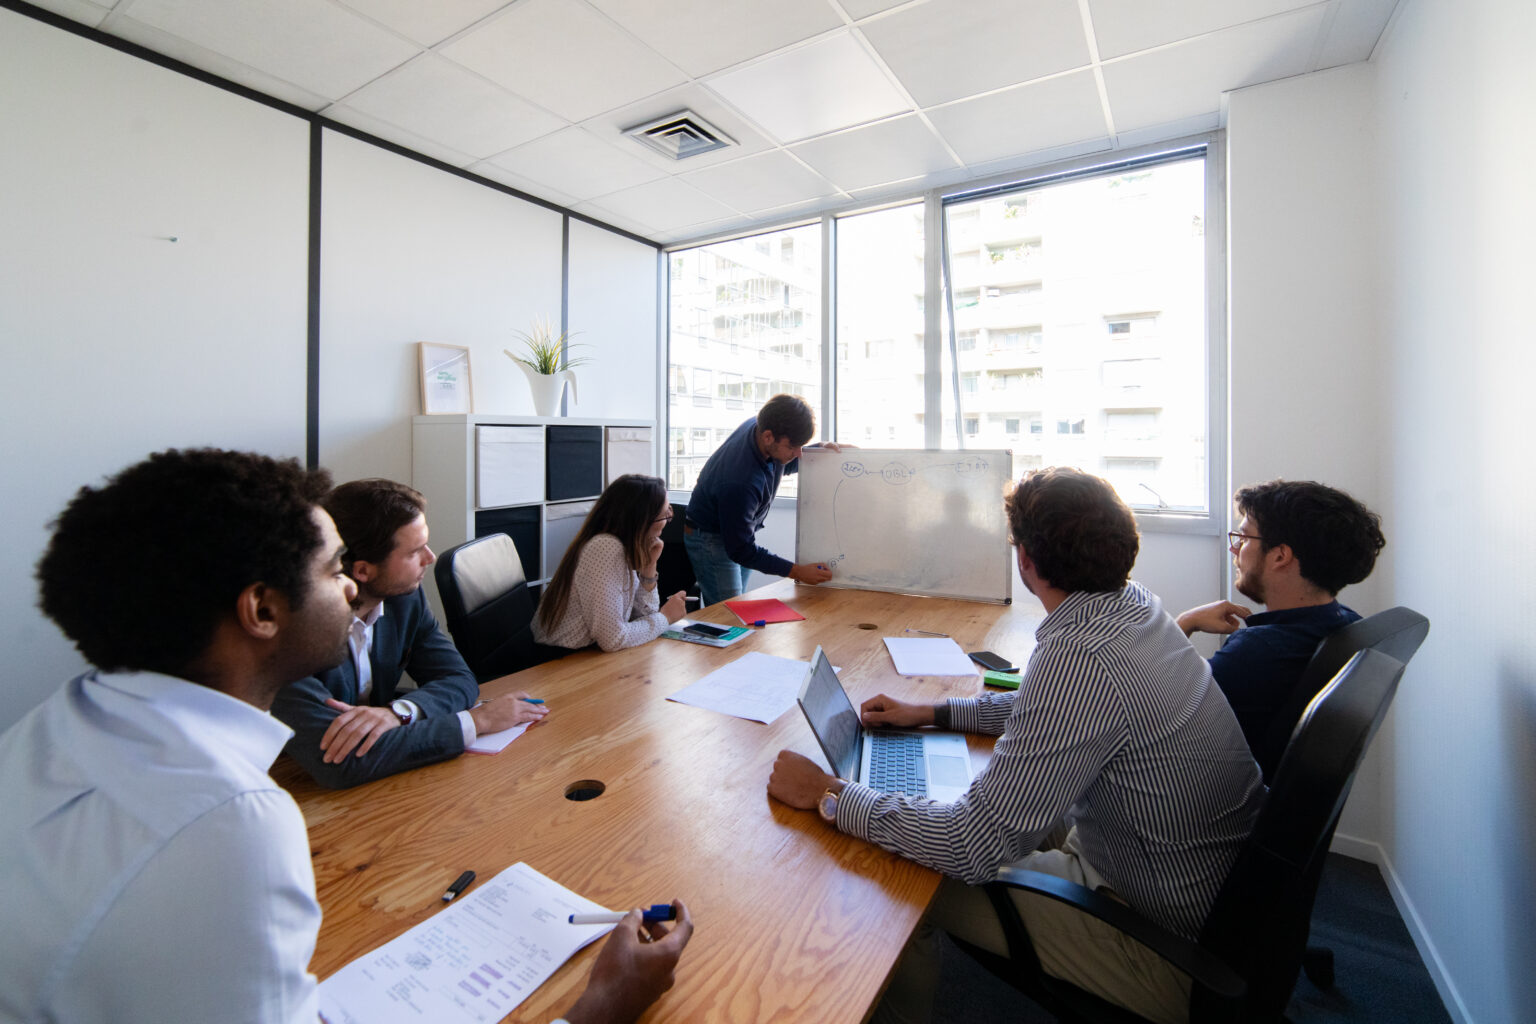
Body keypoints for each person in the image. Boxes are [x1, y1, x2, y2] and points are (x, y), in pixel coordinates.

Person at [0, 448, 694, 1024]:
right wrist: (598, 1008)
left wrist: (405, 713)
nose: (350, 591)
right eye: (333, 571)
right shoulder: (228, 823)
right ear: (263, 609)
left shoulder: (45, 729)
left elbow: (452, 679)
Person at [767, 467, 1264, 1024]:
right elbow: (1053, 708)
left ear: (1025, 560)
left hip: (1158, 944)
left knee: (897, 873)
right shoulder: (1134, 607)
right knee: (933, 808)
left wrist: (831, 795)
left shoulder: (1081, 657)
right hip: (1198, 892)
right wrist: (931, 711)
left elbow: (969, 847)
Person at [271, 478, 546, 788]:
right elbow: (342, 761)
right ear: (362, 571)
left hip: (384, 779)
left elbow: (459, 680)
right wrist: (476, 721)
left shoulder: (405, 598)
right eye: (415, 552)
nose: (430, 557)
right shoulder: (293, 635)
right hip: (292, 786)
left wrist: (399, 712)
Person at [1176, 479, 1385, 766]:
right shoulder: (1350, 624)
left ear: (1280, 556)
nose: (1235, 549)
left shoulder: (1258, 651)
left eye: (1245, 538)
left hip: (1217, 802)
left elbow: (1157, 715)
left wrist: (1183, 623)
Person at [683, 392, 841, 606]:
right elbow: (742, 550)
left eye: (801, 446)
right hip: (710, 538)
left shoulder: (762, 430)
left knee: (739, 605)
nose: (799, 453)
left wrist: (821, 451)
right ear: (768, 436)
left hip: (736, 529)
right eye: (793, 447)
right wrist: (798, 571)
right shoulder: (740, 481)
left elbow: (784, 461)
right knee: (730, 613)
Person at [535, 474, 688, 651]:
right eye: (664, 515)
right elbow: (613, 639)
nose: (667, 522)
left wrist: (649, 567)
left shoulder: (620, 546)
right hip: (558, 661)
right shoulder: (605, 547)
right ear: (640, 520)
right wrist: (666, 618)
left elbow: (644, 615)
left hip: (585, 654)